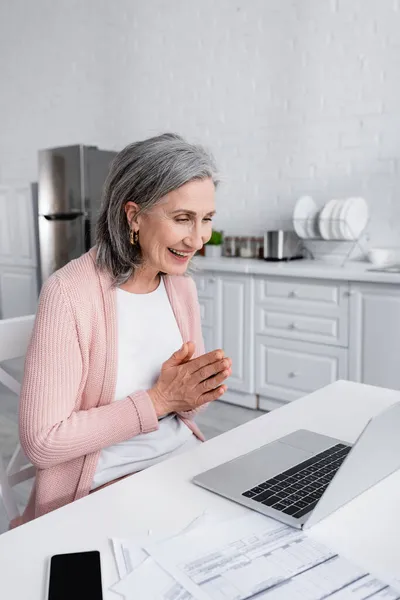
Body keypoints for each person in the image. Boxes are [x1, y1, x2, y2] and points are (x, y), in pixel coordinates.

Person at [17, 133, 232, 525]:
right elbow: (42, 442)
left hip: (181, 465)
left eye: (207, 220)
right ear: (133, 216)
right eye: (183, 218)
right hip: (101, 488)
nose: (198, 239)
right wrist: (158, 400)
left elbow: (186, 409)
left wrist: (196, 388)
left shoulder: (181, 286)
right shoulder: (69, 294)